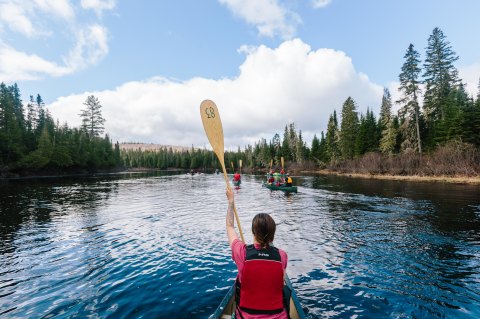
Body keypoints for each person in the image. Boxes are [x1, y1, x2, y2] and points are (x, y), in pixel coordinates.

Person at [225, 188, 289, 319]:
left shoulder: (242, 252)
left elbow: (229, 226)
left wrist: (231, 201)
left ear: (253, 232)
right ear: (273, 234)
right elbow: (280, 281)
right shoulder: (282, 256)